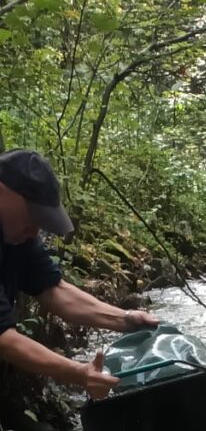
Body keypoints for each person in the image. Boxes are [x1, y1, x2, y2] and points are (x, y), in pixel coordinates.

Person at [0, 149, 157, 401]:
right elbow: (4, 339)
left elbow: (54, 290)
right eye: (33, 216)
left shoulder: (17, 234)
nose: (35, 229)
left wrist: (125, 319)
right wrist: (80, 373)